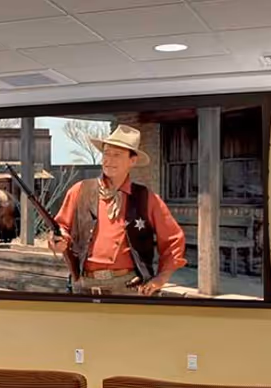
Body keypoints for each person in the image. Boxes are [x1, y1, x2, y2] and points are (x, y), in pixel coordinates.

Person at [50, 124, 187, 296]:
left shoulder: (146, 198)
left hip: (128, 287)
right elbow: (61, 228)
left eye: (117, 155)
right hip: (84, 285)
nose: (108, 160)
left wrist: (161, 278)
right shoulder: (80, 190)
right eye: (106, 153)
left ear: (132, 161)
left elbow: (173, 239)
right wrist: (58, 241)